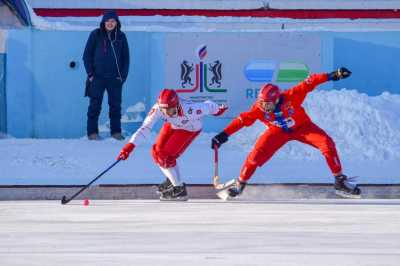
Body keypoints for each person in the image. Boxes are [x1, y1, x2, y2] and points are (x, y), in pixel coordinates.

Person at [211, 67, 361, 199]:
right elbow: (242, 120)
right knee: (255, 156)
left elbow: (310, 81)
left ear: (276, 100)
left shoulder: (292, 96)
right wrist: (223, 135)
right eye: (262, 103)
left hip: (303, 128)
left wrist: (333, 75)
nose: (264, 107)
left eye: (267, 104)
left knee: (327, 143)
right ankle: (240, 183)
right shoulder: (258, 108)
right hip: (277, 132)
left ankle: (339, 181)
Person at [117, 89, 228, 201]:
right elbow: (145, 128)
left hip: (189, 128)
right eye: (163, 109)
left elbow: (208, 105)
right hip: (172, 125)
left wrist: (218, 110)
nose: (165, 112)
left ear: (176, 105)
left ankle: (179, 189)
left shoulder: (190, 110)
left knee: (165, 156)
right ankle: (172, 180)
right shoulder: (158, 109)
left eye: (169, 110)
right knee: (156, 152)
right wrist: (129, 146)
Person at [83, 10, 130, 140]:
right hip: (97, 78)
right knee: (94, 105)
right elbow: (86, 55)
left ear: (117, 23)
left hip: (115, 79)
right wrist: (91, 74)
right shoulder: (95, 35)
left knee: (115, 106)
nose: (110, 23)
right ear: (103, 22)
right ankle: (92, 133)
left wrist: (122, 77)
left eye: (113, 21)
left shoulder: (121, 37)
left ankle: (116, 132)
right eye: (108, 21)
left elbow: (126, 59)